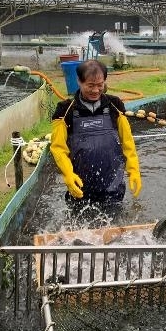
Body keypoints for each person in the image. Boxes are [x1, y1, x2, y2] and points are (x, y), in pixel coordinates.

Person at [50, 60, 141, 223]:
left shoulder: (115, 105)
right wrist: (68, 175)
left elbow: (127, 142)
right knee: (79, 230)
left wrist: (133, 170)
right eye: (90, 85)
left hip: (112, 184)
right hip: (80, 185)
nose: (96, 90)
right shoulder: (65, 110)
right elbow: (58, 148)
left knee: (113, 229)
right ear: (79, 81)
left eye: (100, 85)